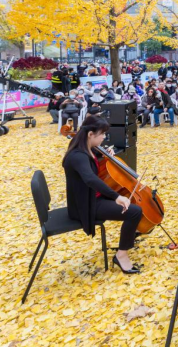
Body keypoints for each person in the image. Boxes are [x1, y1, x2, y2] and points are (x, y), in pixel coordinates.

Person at [62, 115, 142, 274]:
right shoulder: (78, 156)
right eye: (102, 134)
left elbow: (90, 164)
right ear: (90, 134)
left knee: (133, 205)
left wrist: (102, 156)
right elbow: (90, 178)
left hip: (92, 197)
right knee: (134, 212)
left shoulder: (85, 148)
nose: (104, 137)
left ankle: (129, 237)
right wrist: (116, 196)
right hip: (86, 205)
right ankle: (121, 255)